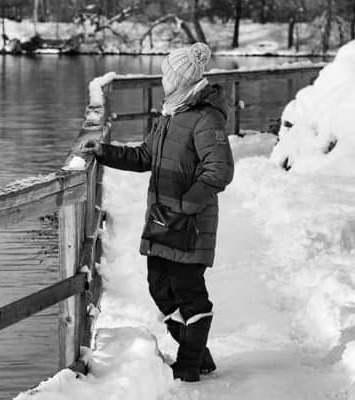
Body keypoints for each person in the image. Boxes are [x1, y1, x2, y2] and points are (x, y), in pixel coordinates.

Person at [81, 42, 234, 382]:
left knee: (190, 292)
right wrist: (103, 151)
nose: (164, 80)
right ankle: (199, 354)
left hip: (188, 224)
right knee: (159, 287)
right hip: (164, 220)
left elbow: (219, 171)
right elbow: (144, 158)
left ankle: (190, 366)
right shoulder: (170, 115)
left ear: (181, 79)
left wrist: (184, 205)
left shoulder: (205, 118)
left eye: (168, 74)